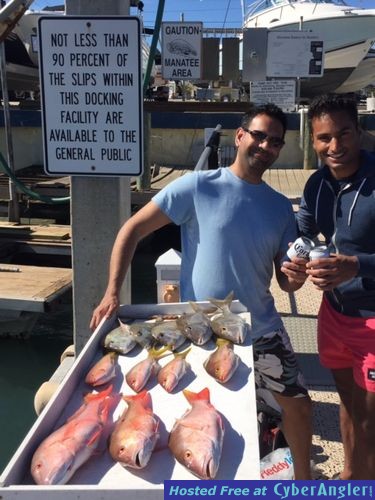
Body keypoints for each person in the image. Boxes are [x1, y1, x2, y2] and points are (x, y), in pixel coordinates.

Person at [90, 103, 313, 479]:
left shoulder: (279, 208)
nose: (265, 146)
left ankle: (304, 482)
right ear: (240, 136)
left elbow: (285, 279)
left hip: (261, 326)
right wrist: (112, 292)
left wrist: (298, 277)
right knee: (205, 409)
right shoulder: (197, 187)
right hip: (202, 328)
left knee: (300, 405)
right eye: (258, 135)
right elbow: (132, 229)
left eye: (275, 142)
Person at [284, 94, 375, 479]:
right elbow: (302, 234)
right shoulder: (316, 185)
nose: (334, 147)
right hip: (334, 315)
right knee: (349, 404)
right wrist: (294, 266)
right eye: (324, 138)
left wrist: (356, 265)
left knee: (371, 421)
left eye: (343, 134)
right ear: (313, 140)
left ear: (358, 132)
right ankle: (350, 476)